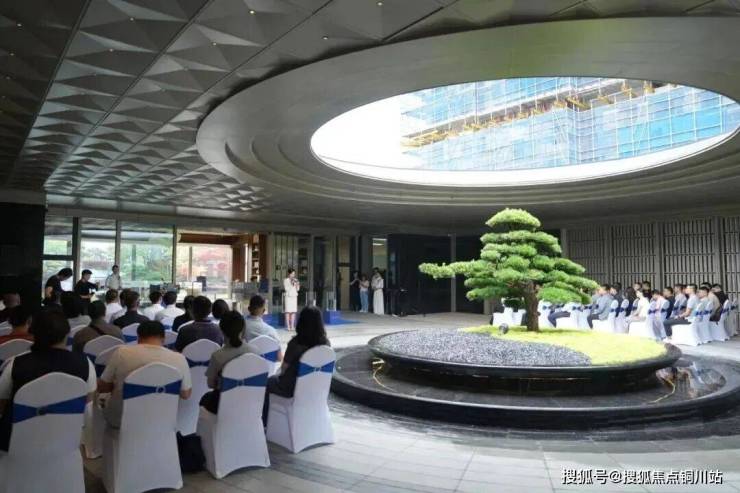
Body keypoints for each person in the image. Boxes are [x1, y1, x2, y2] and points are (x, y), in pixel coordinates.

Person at [0, 310, 97, 451]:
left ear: (34, 334)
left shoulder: (16, 363)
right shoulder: (85, 363)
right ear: (67, 334)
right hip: (66, 439)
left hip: (17, 442)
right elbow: (88, 399)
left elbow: (2, 402)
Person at [97, 321, 192, 428]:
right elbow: (186, 394)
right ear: (164, 338)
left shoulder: (121, 353)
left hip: (121, 419)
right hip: (162, 420)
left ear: (138, 336)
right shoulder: (179, 358)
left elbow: (103, 387)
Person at [264, 306, 329, 424]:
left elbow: (284, 369)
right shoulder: (326, 344)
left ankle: (265, 422)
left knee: (268, 382)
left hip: (292, 388)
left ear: (301, 322)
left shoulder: (295, 344)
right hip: (316, 388)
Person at [199, 312, 252, 414]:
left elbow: (210, 384)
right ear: (243, 328)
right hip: (250, 401)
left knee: (205, 398)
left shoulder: (217, 356)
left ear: (221, 330)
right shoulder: (256, 352)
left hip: (223, 405)